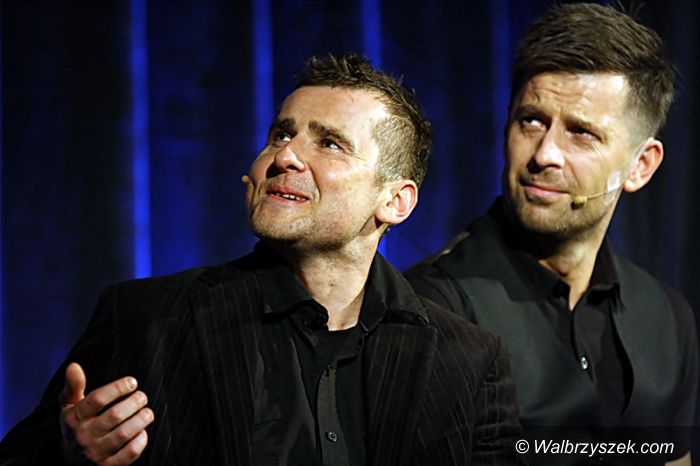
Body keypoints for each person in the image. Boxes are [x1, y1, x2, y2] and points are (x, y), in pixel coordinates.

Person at [0, 54, 520, 465]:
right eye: (281, 134)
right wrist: (68, 454)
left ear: (395, 202)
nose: (285, 156)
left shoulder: (467, 361)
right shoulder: (145, 320)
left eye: (330, 144)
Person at [406, 3, 697, 465]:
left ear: (640, 166)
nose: (544, 154)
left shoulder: (667, 318)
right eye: (532, 120)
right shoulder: (433, 309)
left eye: (581, 133)